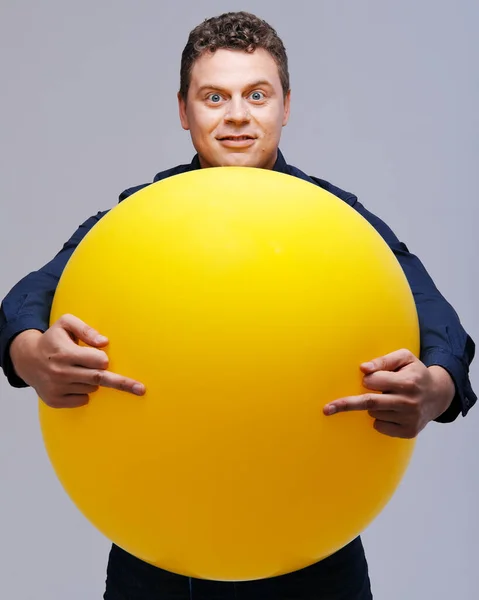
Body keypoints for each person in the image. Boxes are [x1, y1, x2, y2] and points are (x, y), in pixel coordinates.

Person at [0, 11, 476, 600]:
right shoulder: (140, 219)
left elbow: (442, 325)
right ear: (183, 111)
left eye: (256, 94)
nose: (236, 116)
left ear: (286, 105)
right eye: (213, 96)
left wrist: (437, 386)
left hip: (312, 545)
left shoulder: (336, 223)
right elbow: (26, 299)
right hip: (158, 546)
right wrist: (29, 354)